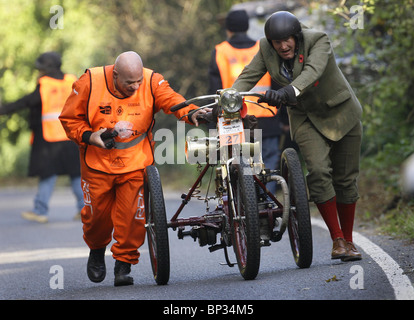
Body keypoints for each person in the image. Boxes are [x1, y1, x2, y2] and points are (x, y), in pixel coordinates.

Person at [59, 51, 208, 286]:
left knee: (132, 219)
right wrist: (89, 136)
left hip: (136, 162)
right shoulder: (90, 82)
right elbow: (69, 119)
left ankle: (124, 263)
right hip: (97, 163)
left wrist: (191, 112)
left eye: (138, 81)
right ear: (115, 74)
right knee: (95, 218)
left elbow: (172, 101)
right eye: (129, 83)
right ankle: (97, 250)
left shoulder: (151, 81)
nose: (136, 87)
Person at [232, 11, 363, 261]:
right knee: (318, 171)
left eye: (287, 40)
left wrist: (286, 92)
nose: (282, 46)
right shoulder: (265, 48)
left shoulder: (318, 40)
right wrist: (227, 97)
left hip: (341, 112)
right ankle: (337, 240)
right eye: (277, 42)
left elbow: (313, 71)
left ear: (296, 36)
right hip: (304, 117)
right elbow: (248, 76)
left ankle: (349, 240)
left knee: (345, 179)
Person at [0, 52, 84, 223]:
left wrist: (4, 109)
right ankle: (85, 210)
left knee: (48, 174)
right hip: (72, 136)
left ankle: (40, 211)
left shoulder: (45, 85)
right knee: (76, 174)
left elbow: (26, 102)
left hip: (50, 138)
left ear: (46, 68)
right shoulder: (71, 81)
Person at [209, 9, 282, 194]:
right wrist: (285, 119)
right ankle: (266, 201)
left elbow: (215, 89)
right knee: (268, 160)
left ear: (228, 28)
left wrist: (212, 117)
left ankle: (244, 205)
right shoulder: (263, 48)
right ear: (248, 26)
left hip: (233, 119)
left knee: (235, 161)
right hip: (267, 115)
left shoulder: (220, 51)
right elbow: (278, 82)